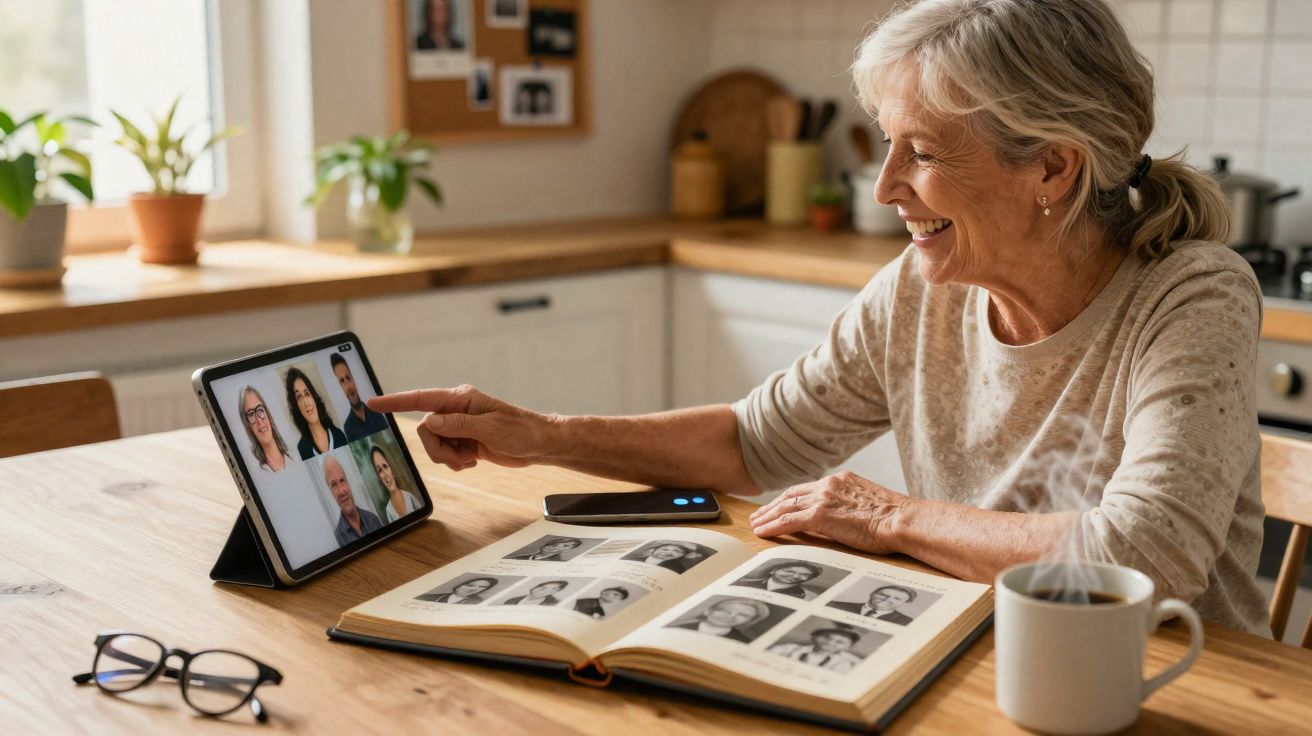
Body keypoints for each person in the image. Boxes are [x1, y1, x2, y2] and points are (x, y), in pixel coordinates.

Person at [369, 0, 1266, 633]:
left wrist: (885, 517)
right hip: (980, 646)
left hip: (1175, 686)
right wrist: (544, 432)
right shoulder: (920, 289)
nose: (885, 189)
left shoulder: (1192, 296)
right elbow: (754, 445)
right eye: (888, 146)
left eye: (921, 153)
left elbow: (1141, 558)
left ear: (1054, 170)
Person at [285, 367, 348, 461]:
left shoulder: (338, 435)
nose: (306, 402)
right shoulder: (302, 449)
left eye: (307, 394)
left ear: (314, 397)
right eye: (299, 397)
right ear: (296, 407)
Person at [325, 456, 384, 546]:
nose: (341, 491)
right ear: (330, 492)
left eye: (342, 480)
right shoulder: (337, 540)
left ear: (348, 481)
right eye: (334, 484)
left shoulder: (373, 519)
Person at [332, 354, 389, 442]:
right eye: (342, 381)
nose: (348, 386)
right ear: (340, 387)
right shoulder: (348, 427)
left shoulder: (377, 413)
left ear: (353, 379)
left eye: (348, 377)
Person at [236, 385, 291, 473]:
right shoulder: (258, 473)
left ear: (267, 414)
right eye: (251, 414)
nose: (259, 420)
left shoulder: (295, 456)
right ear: (247, 425)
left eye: (260, 410)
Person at [668, 598, 771, 643]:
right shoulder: (675, 628)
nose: (731, 616)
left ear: (748, 621)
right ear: (708, 610)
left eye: (743, 615)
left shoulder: (744, 642)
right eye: (726, 610)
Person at [768, 628, 865, 673]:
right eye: (826, 637)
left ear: (848, 647)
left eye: (840, 642)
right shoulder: (787, 649)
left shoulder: (845, 664)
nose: (830, 643)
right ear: (814, 636)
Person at [370, 444, 423, 523]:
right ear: (379, 478)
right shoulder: (388, 511)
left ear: (392, 469)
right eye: (379, 470)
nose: (385, 474)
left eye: (385, 466)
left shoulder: (410, 497)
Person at [829, 585, 917, 625]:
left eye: (897, 598)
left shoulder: (907, 622)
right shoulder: (834, 605)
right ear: (872, 594)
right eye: (883, 594)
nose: (887, 599)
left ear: (906, 603)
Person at [733, 561, 824, 599]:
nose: (796, 576)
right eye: (789, 571)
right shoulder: (742, 582)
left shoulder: (806, 597)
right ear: (773, 570)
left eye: (804, 575)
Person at [621, 542, 703, 573]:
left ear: (682, 556)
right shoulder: (631, 559)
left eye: (677, 551)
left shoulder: (677, 568)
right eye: (665, 549)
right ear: (652, 550)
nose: (669, 552)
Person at [417, 577, 496, 604]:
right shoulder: (426, 598)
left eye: (482, 587)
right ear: (459, 585)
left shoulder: (478, 602)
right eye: (470, 585)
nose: (475, 589)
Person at [508, 538, 583, 561]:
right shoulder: (525, 550)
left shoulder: (555, 561)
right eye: (555, 545)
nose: (560, 545)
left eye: (566, 546)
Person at [503, 580, 568, 606]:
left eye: (553, 589)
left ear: (555, 592)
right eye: (543, 587)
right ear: (534, 587)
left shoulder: (553, 603)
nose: (543, 591)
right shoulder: (512, 601)